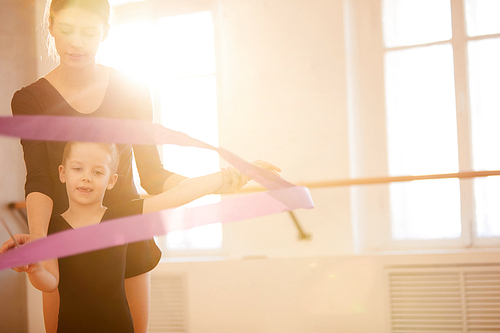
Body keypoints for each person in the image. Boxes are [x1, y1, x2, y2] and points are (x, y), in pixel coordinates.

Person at [0, 0, 248, 332]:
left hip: (127, 230)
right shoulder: (30, 99)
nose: (77, 42)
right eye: (66, 29)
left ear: (105, 32)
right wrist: (42, 244)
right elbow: (41, 179)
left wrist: (216, 183)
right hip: (64, 237)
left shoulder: (131, 89)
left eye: (89, 31)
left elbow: (153, 173)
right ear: (51, 27)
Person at [1, 141, 278, 333]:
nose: (86, 178)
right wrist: (34, 267)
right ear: (63, 173)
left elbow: (179, 194)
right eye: (78, 169)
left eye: (97, 172)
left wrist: (234, 175)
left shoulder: (125, 216)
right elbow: (50, 283)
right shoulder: (53, 228)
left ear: (111, 181)